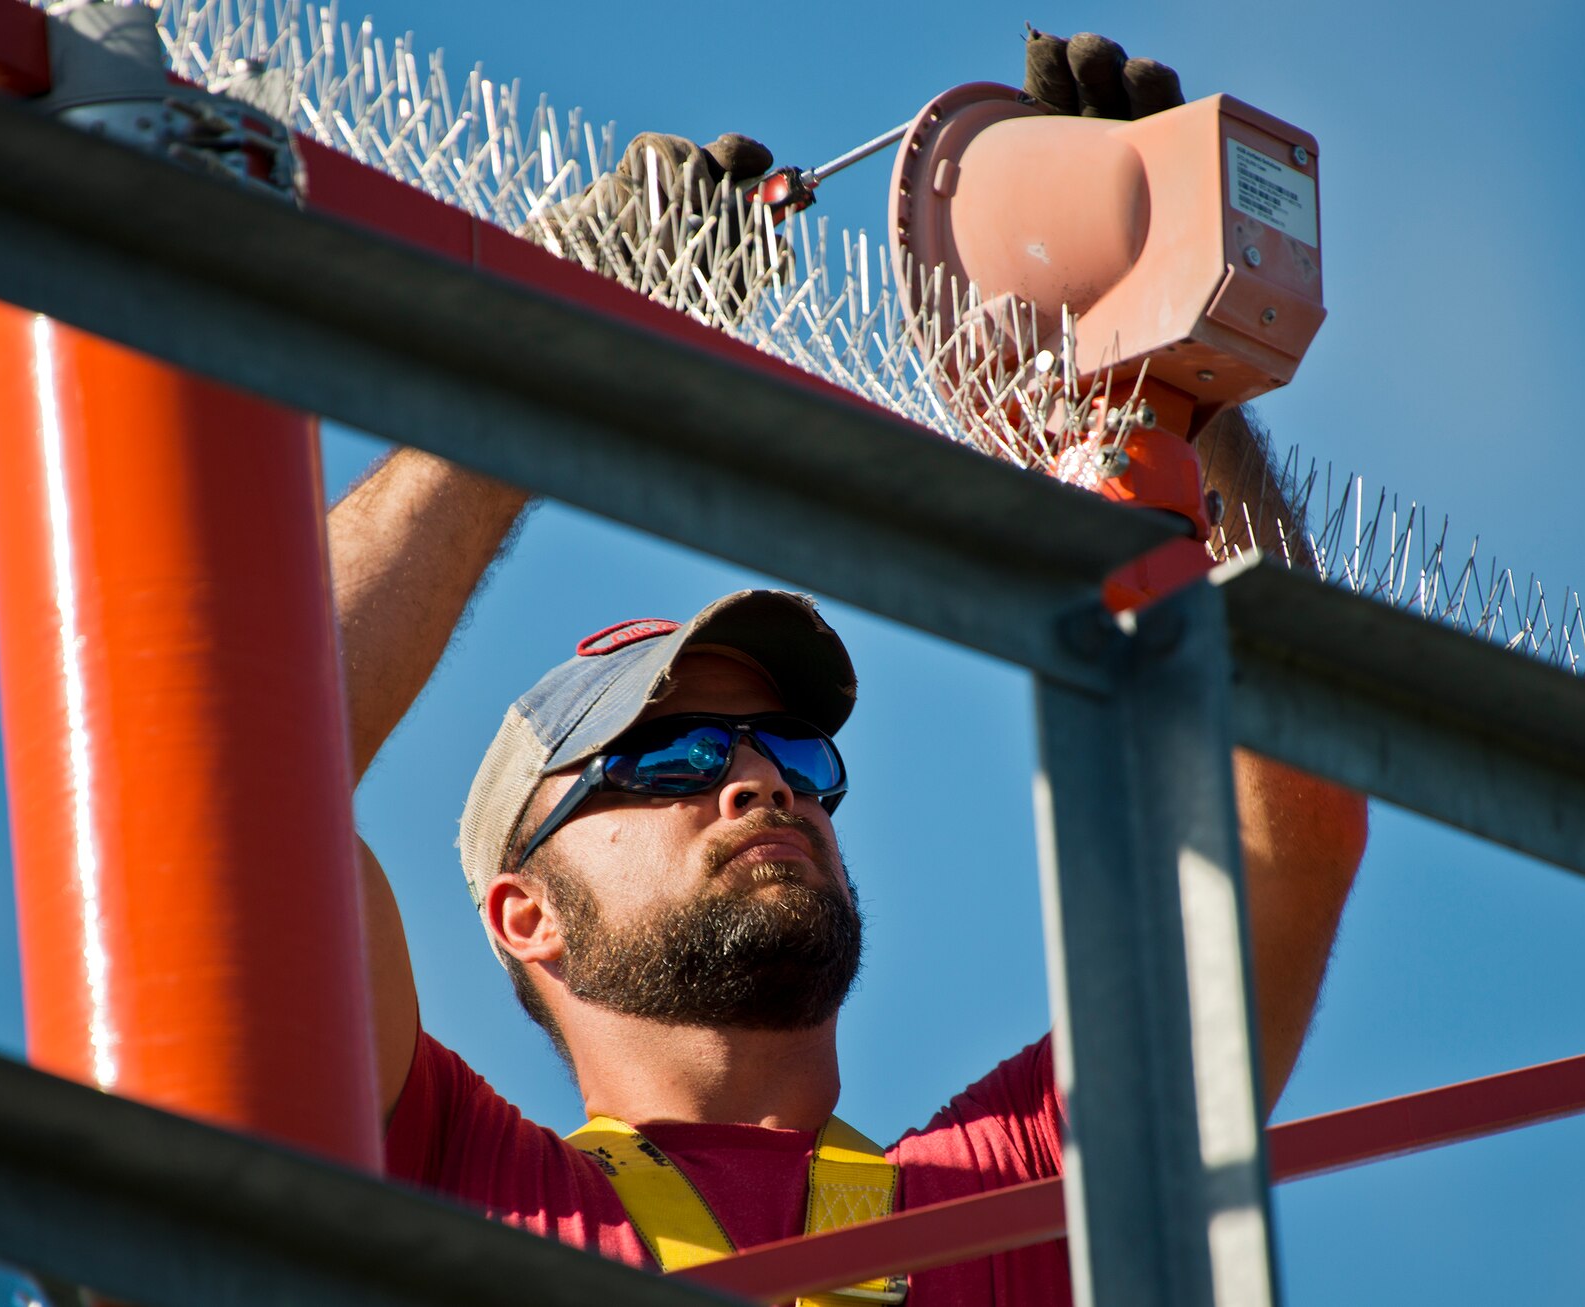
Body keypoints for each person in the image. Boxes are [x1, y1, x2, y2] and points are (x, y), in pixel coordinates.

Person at [331, 31, 1369, 1306]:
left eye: (794, 754)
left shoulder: (1017, 1193)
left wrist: (1167, 396)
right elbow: (249, 724)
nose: (762, 783)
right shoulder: (437, 1171)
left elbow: (1291, 829)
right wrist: (541, 343)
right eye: (669, 757)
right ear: (522, 914)